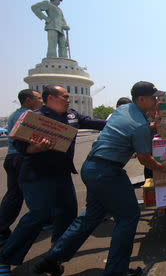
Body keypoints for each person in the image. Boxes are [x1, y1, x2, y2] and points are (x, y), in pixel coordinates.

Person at [34, 81, 166, 276]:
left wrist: (152, 126)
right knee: (128, 216)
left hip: (92, 167)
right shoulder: (139, 125)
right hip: (107, 173)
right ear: (142, 99)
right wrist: (162, 167)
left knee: (91, 217)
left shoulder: (125, 110)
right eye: (154, 98)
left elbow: (130, 130)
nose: (157, 101)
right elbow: (145, 159)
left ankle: (50, 260)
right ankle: (116, 272)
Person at [0, 85, 106, 275]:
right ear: (50, 98)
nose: (68, 100)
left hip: (62, 175)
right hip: (37, 176)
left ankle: (54, 256)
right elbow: (21, 147)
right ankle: (5, 258)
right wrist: (37, 148)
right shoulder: (34, 117)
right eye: (64, 97)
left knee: (67, 214)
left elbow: (94, 123)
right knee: (38, 215)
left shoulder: (71, 116)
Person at [0, 90, 43, 247]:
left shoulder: (16, 114)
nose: (41, 101)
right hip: (20, 158)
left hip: (12, 158)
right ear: (28, 100)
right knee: (24, 197)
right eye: (38, 98)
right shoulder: (28, 115)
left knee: (14, 195)